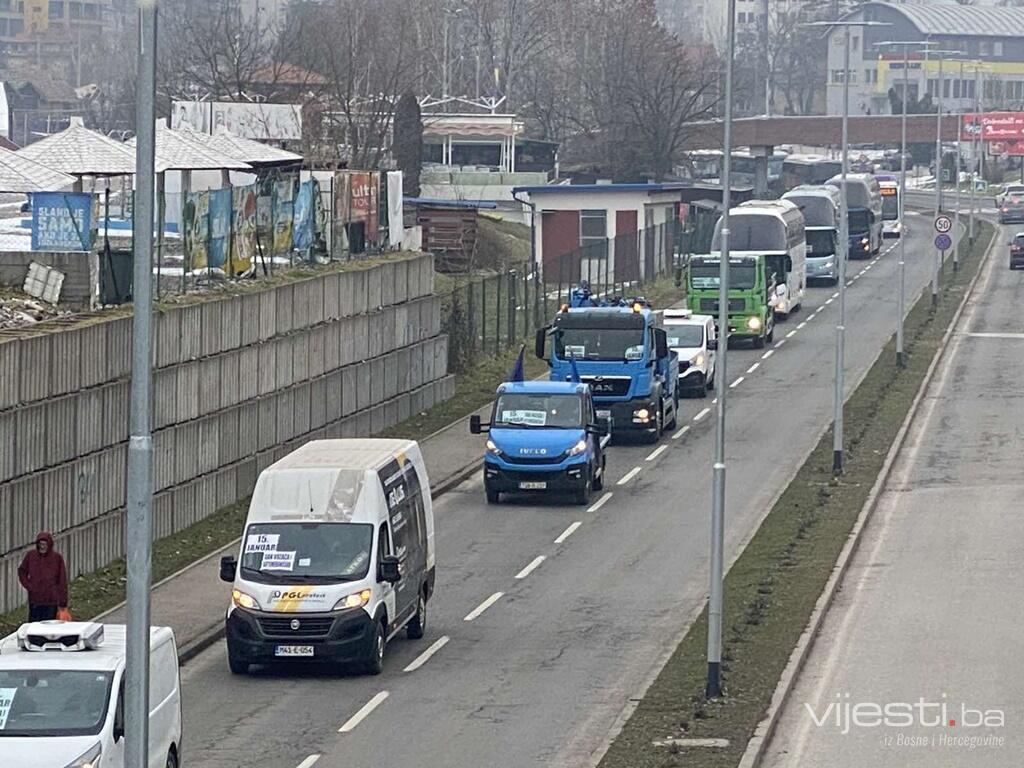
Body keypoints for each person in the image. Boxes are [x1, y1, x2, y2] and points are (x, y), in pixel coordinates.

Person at [17, 532, 68, 622]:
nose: (42, 547)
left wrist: (63, 602)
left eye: (44, 544)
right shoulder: (31, 556)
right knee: (34, 626)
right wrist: (29, 586)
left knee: (49, 627)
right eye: (40, 544)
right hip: (35, 600)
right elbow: (22, 571)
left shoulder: (57, 558)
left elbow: (62, 580)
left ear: (49, 545)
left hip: (51, 600)